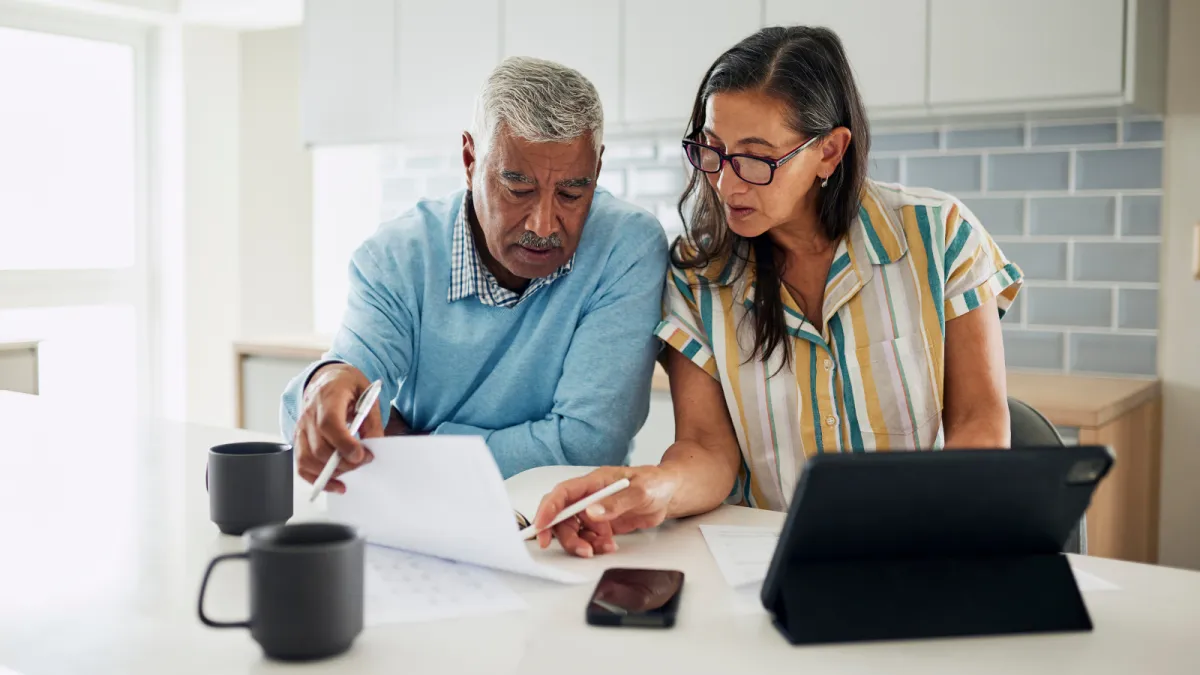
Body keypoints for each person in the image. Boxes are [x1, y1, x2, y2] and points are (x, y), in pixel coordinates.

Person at [531, 26, 1023, 558]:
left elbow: (979, 422)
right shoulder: (697, 276)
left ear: (829, 153)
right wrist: (651, 488)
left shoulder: (940, 235)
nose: (726, 184)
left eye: (755, 158)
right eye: (713, 151)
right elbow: (706, 449)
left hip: (918, 550)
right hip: (767, 559)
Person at [281, 57, 668, 494]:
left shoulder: (626, 247)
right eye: (518, 190)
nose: (543, 224)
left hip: (569, 518)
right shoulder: (397, 257)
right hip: (418, 510)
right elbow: (346, 388)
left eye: (572, 193)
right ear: (469, 160)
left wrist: (412, 446)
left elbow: (584, 447)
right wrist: (326, 383)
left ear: (597, 170)